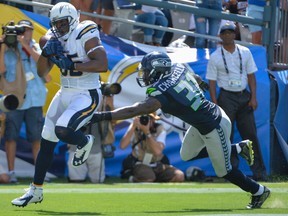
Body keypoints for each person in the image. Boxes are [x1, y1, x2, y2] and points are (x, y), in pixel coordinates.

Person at [89, 51, 270, 209]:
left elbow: (134, 110)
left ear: (157, 70)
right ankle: (239, 148)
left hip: (215, 125)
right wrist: (200, 86)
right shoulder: (178, 68)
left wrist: (100, 116)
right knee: (186, 154)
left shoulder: (161, 92)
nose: (144, 75)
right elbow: (197, 79)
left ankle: (259, 191)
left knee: (225, 171)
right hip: (203, 121)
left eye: (146, 70)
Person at [11, 2, 108, 207]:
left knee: (62, 129)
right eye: (56, 23)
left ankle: (83, 141)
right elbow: (41, 73)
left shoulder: (85, 31)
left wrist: (73, 64)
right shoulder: (52, 36)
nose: (60, 27)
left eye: (63, 22)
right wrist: (46, 53)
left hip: (86, 93)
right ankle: (35, 190)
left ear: (73, 19)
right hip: (64, 92)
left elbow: (102, 63)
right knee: (47, 140)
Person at [206, 23, 268, 181]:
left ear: (235, 35)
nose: (227, 35)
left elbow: (251, 76)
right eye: (224, 33)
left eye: (230, 32)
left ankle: (259, 173)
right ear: (220, 36)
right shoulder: (215, 56)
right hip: (226, 97)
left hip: (243, 96)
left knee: (250, 135)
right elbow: (211, 83)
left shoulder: (245, 52)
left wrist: (253, 97)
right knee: (226, 136)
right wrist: (215, 104)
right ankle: (230, 173)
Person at [0, 19, 47, 183]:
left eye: (26, 30)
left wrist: (25, 46)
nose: (23, 33)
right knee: (11, 137)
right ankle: (12, 173)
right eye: (21, 30)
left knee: (37, 138)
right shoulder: (7, 46)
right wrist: (3, 46)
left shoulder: (37, 46)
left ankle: (39, 174)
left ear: (32, 31)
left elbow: (44, 67)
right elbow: (2, 71)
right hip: (14, 100)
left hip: (35, 99)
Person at [120, 113, 185, 183]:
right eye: (142, 118)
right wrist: (133, 126)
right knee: (149, 178)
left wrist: (147, 133)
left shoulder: (160, 129)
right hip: (140, 163)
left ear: (154, 120)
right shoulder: (134, 128)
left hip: (157, 164)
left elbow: (157, 151)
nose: (145, 121)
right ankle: (134, 179)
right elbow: (122, 146)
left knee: (179, 176)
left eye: (149, 118)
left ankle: (155, 178)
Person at [67, 94, 116, 183]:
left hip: (96, 147)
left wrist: (110, 105)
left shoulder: (103, 102)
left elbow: (113, 122)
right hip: (76, 147)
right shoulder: (76, 96)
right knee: (76, 182)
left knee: (98, 182)